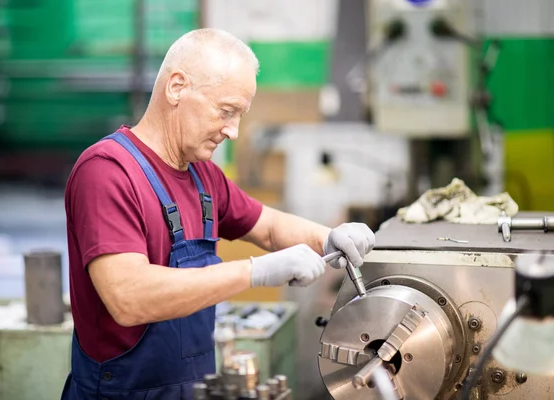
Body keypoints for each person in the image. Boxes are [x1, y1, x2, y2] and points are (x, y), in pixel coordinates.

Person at [60, 28, 375, 400]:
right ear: (177, 87)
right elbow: (130, 298)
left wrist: (327, 236)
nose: (234, 131)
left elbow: (270, 226)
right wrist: (255, 271)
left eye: (240, 115)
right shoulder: (107, 172)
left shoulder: (202, 174)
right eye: (226, 111)